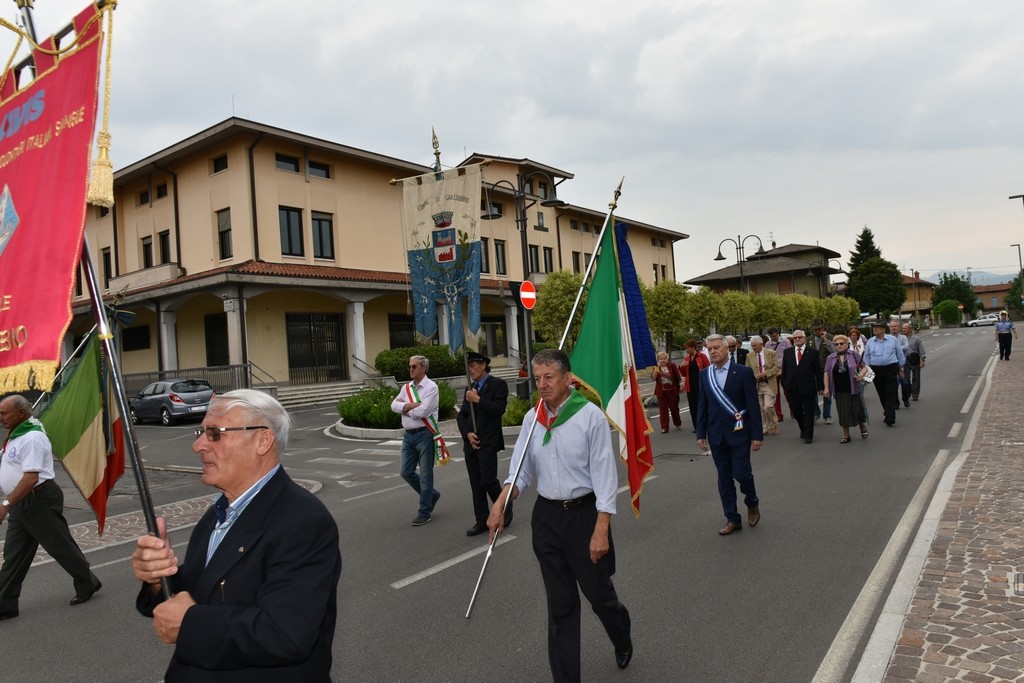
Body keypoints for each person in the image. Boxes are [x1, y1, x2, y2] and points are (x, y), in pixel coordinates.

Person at [131, 390, 342, 681]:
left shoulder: (304, 521)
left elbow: (286, 634)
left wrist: (191, 623)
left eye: (214, 433)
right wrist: (158, 579)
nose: (198, 445)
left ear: (262, 441)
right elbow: (203, 592)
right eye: (201, 432)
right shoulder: (218, 513)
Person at [487, 349, 633, 681]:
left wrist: (601, 528)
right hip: (548, 520)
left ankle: (621, 634)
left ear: (567, 378)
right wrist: (500, 505)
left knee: (599, 596)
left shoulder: (589, 417)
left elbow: (605, 477)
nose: (542, 384)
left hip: (584, 518)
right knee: (561, 606)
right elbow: (521, 472)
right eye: (537, 378)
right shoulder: (531, 419)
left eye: (549, 377)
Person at [0, 395, 102, 620]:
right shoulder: (17, 435)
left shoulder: (33, 437)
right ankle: (4, 604)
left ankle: (88, 582)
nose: (1, 418)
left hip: (38, 499)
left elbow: (30, 478)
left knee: (59, 545)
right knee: (14, 554)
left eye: (4, 413)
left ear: (21, 413)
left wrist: (6, 505)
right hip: (21, 502)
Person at [696, 334, 763, 536]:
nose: (713, 351)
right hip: (716, 434)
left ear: (727, 349)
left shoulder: (742, 372)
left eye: (716, 347)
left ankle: (752, 502)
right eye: (710, 348)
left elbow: (752, 405)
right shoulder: (704, 374)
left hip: (739, 432)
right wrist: (701, 433)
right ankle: (732, 518)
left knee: (741, 473)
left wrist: (757, 435)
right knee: (724, 478)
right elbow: (703, 405)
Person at [456, 351, 509, 536]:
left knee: (488, 480)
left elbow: (498, 410)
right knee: (476, 483)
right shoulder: (469, 388)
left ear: (484, 364)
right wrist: (467, 434)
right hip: (471, 443)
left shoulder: (498, 385)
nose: (470, 369)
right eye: (468, 366)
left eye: (473, 365)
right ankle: (481, 519)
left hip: (488, 441)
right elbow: (462, 415)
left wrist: (478, 400)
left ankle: (504, 506)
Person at [391, 354, 442, 526]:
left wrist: (403, 408)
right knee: (406, 472)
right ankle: (431, 495)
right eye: (410, 366)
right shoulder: (407, 388)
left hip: (425, 435)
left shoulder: (431, 387)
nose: (411, 369)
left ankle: (424, 511)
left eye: (414, 366)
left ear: (424, 368)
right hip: (408, 436)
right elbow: (393, 406)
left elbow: (424, 412)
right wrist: (411, 406)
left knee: (426, 475)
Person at [822, 335, 870, 443]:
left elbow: (865, 367)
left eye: (841, 343)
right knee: (842, 412)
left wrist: (861, 375)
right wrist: (826, 388)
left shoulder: (854, 355)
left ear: (847, 344)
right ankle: (846, 434)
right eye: (836, 344)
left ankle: (862, 426)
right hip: (839, 389)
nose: (839, 346)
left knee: (857, 410)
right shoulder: (830, 358)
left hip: (853, 387)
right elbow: (826, 373)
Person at [781, 330, 823, 444]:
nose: (798, 339)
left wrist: (820, 386)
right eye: (795, 338)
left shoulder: (812, 352)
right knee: (796, 411)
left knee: (809, 411)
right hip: (792, 387)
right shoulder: (788, 352)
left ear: (804, 338)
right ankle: (803, 429)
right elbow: (785, 369)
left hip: (808, 386)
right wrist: (784, 384)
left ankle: (808, 435)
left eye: (800, 337)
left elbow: (817, 371)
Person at [863, 321, 906, 427]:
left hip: (890, 369)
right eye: (874, 327)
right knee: (881, 393)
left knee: (890, 392)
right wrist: (867, 370)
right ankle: (887, 411)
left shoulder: (892, 340)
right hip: (876, 370)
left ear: (883, 329)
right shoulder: (870, 341)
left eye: (877, 327)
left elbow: (899, 354)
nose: (875, 329)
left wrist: (901, 369)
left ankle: (891, 417)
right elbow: (867, 356)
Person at [745, 335, 779, 435]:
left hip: (768, 383)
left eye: (755, 345)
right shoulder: (749, 355)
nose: (753, 347)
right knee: (760, 408)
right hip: (757, 385)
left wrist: (765, 373)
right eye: (752, 346)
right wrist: (753, 375)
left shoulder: (771, 353)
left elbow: (776, 367)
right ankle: (763, 428)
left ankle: (773, 423)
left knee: (768, 407)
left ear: (761, 344)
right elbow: (747, 369)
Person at [680, 338, 711, 433]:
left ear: (693, 347)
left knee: (701, 406)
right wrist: (681, 367)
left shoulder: (702, 356)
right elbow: (684, 374)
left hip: (700, 386)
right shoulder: (687, 358)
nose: (686, 350)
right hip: (690, 386)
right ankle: (697, 426)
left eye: (688, 348)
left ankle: (705, 425)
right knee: (693, 407)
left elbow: (708, 369)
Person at [764, 327, 792, 424]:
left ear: (778, 334)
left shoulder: (786, 342)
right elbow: (767, 358)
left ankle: (793, 409)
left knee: (787, 392)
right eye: (772, 337)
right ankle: (778, 415)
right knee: (775, 394)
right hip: (774, 371)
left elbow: (790, 356)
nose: (774, 338)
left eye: (775, 336)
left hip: (785, 370)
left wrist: (784, 369)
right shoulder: (768, 344)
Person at [650, 351, 683, 433]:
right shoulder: (656, 368)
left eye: (664, 358)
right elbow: (653, 378)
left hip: (672, 391)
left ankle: (677, 423)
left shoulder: (672, 366)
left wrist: (680, 385)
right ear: (658, 360)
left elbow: (678, 377)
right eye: (661, 359)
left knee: (674, 408)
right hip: (661, 392)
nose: (663, 360)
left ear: (667, 359)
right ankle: (664, 427)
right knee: (663, 410)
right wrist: (656, 370)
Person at [811, 320, 835, 424]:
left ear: (823, 328)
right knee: (812, 393)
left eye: (820, 329)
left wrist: (825, 339)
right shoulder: (809, 339)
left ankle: (827, 415)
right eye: (816, 329)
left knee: (827, 393)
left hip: (826, 369)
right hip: (813, 370)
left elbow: (834, 352)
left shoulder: (830, 337)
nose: (818, 331)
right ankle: (816, 413)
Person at [902, 323, 926, 403]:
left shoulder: (916, 339)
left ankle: (915, 395)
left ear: (910, 329)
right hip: (905, 360)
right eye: (903, 328)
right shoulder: (901, 339)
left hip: (914, 359)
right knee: (906, 378)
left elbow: (921, 350)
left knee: (916, 378)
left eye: (905, 328)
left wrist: (922, 360)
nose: (903, 330)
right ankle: (908, 391)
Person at [889, 321, 911, 407]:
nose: (894, 328)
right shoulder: (887, 338)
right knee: (893, 384)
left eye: (895, 326)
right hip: (891, 364)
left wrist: (896, 348)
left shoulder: (903, 337)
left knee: (905, 383)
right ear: (889, 328)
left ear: (898, 328)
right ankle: (896, 402)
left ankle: (905, 399)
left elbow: (906, 346)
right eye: (892, 326)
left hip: (902, 363)